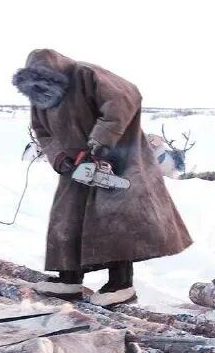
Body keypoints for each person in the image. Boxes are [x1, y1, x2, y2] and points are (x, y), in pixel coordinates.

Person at [11, 48, 193, 305]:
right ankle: (69, 279)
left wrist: (99, 141)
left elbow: (125, 97)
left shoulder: (86, 74)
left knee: (115, 219)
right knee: (66, 219)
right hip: (75, 166)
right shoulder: (39, 96)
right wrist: (60, 157)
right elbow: (42, 131)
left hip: (119, 156)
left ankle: (121, 285)